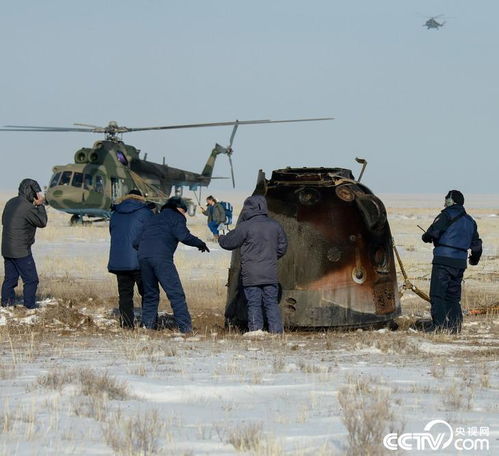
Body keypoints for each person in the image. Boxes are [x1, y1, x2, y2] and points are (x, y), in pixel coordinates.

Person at [135, 196, 210, 332]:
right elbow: (184, 236)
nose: (184, 214)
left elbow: (135, 241)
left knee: (150, 294)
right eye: (184, 211)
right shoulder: (176, 217)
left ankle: (148, 327)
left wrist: (147, 250)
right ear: (178, 208)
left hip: (143, 257)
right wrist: (200, 243)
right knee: (176, 294)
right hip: (161, 258)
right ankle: (185, 329)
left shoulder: (153, 218)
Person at [218, 195, 288, 334]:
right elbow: (282, 247)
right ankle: (277, 332)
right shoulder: (275, 225)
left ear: (248, 208)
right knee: (271, 303)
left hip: (251, 274)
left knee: (254, 304)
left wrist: (221, 237)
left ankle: (256, 331)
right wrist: (271, 257)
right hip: (270, 272)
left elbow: (229, 243)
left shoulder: (245, 226)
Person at [421, 190, 482, 333]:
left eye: (446, 199)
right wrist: (474, 259)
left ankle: (439, 326)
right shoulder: (470, 221)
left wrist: (426, 237)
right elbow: (477, 246)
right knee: (453, 297)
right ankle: (455, 327)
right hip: (460, 263)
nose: (444, 201)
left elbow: (431, 233)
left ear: (451, 201)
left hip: (443, 261)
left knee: (437, 294)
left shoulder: (445, 215)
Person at [108, 189, 153, 328]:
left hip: (119, 260)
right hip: (139, 260)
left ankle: (127, 325)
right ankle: (148, 323)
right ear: (141, 198)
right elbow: (152, 233)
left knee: (125, 295)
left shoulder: (115, 213)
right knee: (148, 293)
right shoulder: (146, 212)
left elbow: (112, 232)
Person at [1, 179, 47, 309]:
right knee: (31, 280)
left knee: (10, 279)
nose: (37, 194)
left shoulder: (11, 202)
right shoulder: (27, 207)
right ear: (30, 191)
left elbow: (4, 220)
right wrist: (40, 205)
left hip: (7, 248)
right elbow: (42, 222)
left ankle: (6, 305)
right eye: (36, 192)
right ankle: (29, 307)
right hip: (21, 250)